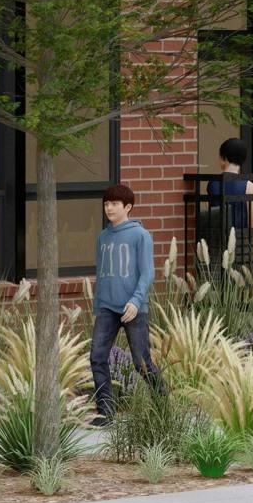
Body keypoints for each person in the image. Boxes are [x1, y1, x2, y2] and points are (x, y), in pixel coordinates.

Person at [90, 182, 162, 424]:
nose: (109, 208)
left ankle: (163, 406)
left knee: (142, 362)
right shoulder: (103, 237)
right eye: (106, 203)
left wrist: (136, 301)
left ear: (127, 207)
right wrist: (97, 306)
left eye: (114, 204)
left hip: (134, 309)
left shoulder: (140, 235)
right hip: (107, 308)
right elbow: (100, 273)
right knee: (97, 357)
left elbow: (147, 273)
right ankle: (105, 412)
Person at [212, 136, 253, 246]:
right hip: (241, 240)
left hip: (216, 239)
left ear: (224, 157)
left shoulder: (212, 183)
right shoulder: (248, 185)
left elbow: (212, 214)